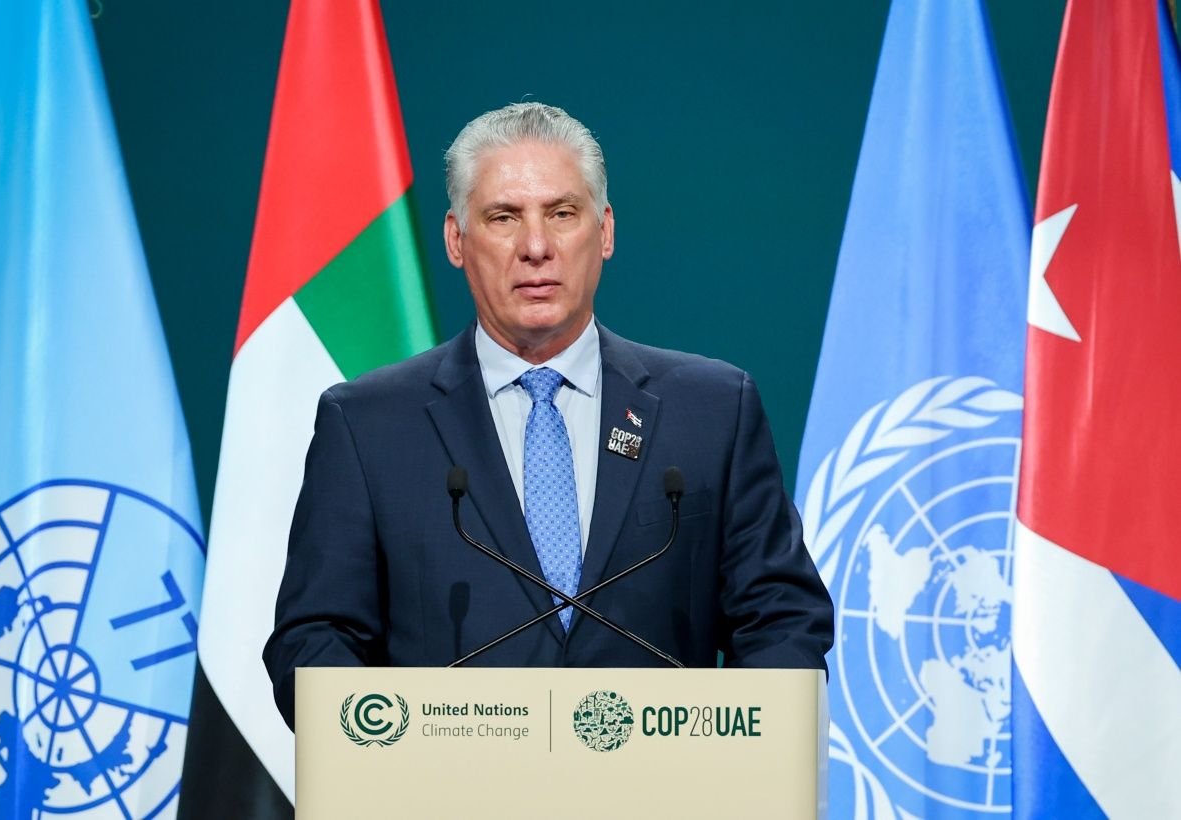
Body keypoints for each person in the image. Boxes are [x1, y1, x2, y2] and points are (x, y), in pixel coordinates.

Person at [263, 102, 833, 728]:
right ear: (456, 240)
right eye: (503, 217)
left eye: (562, 214)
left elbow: (782, 618)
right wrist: (395, 740)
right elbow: (314, 639)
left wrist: (742, 750)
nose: (536, 248)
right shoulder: (367, 425)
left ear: (605, 231)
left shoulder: (713, 410)